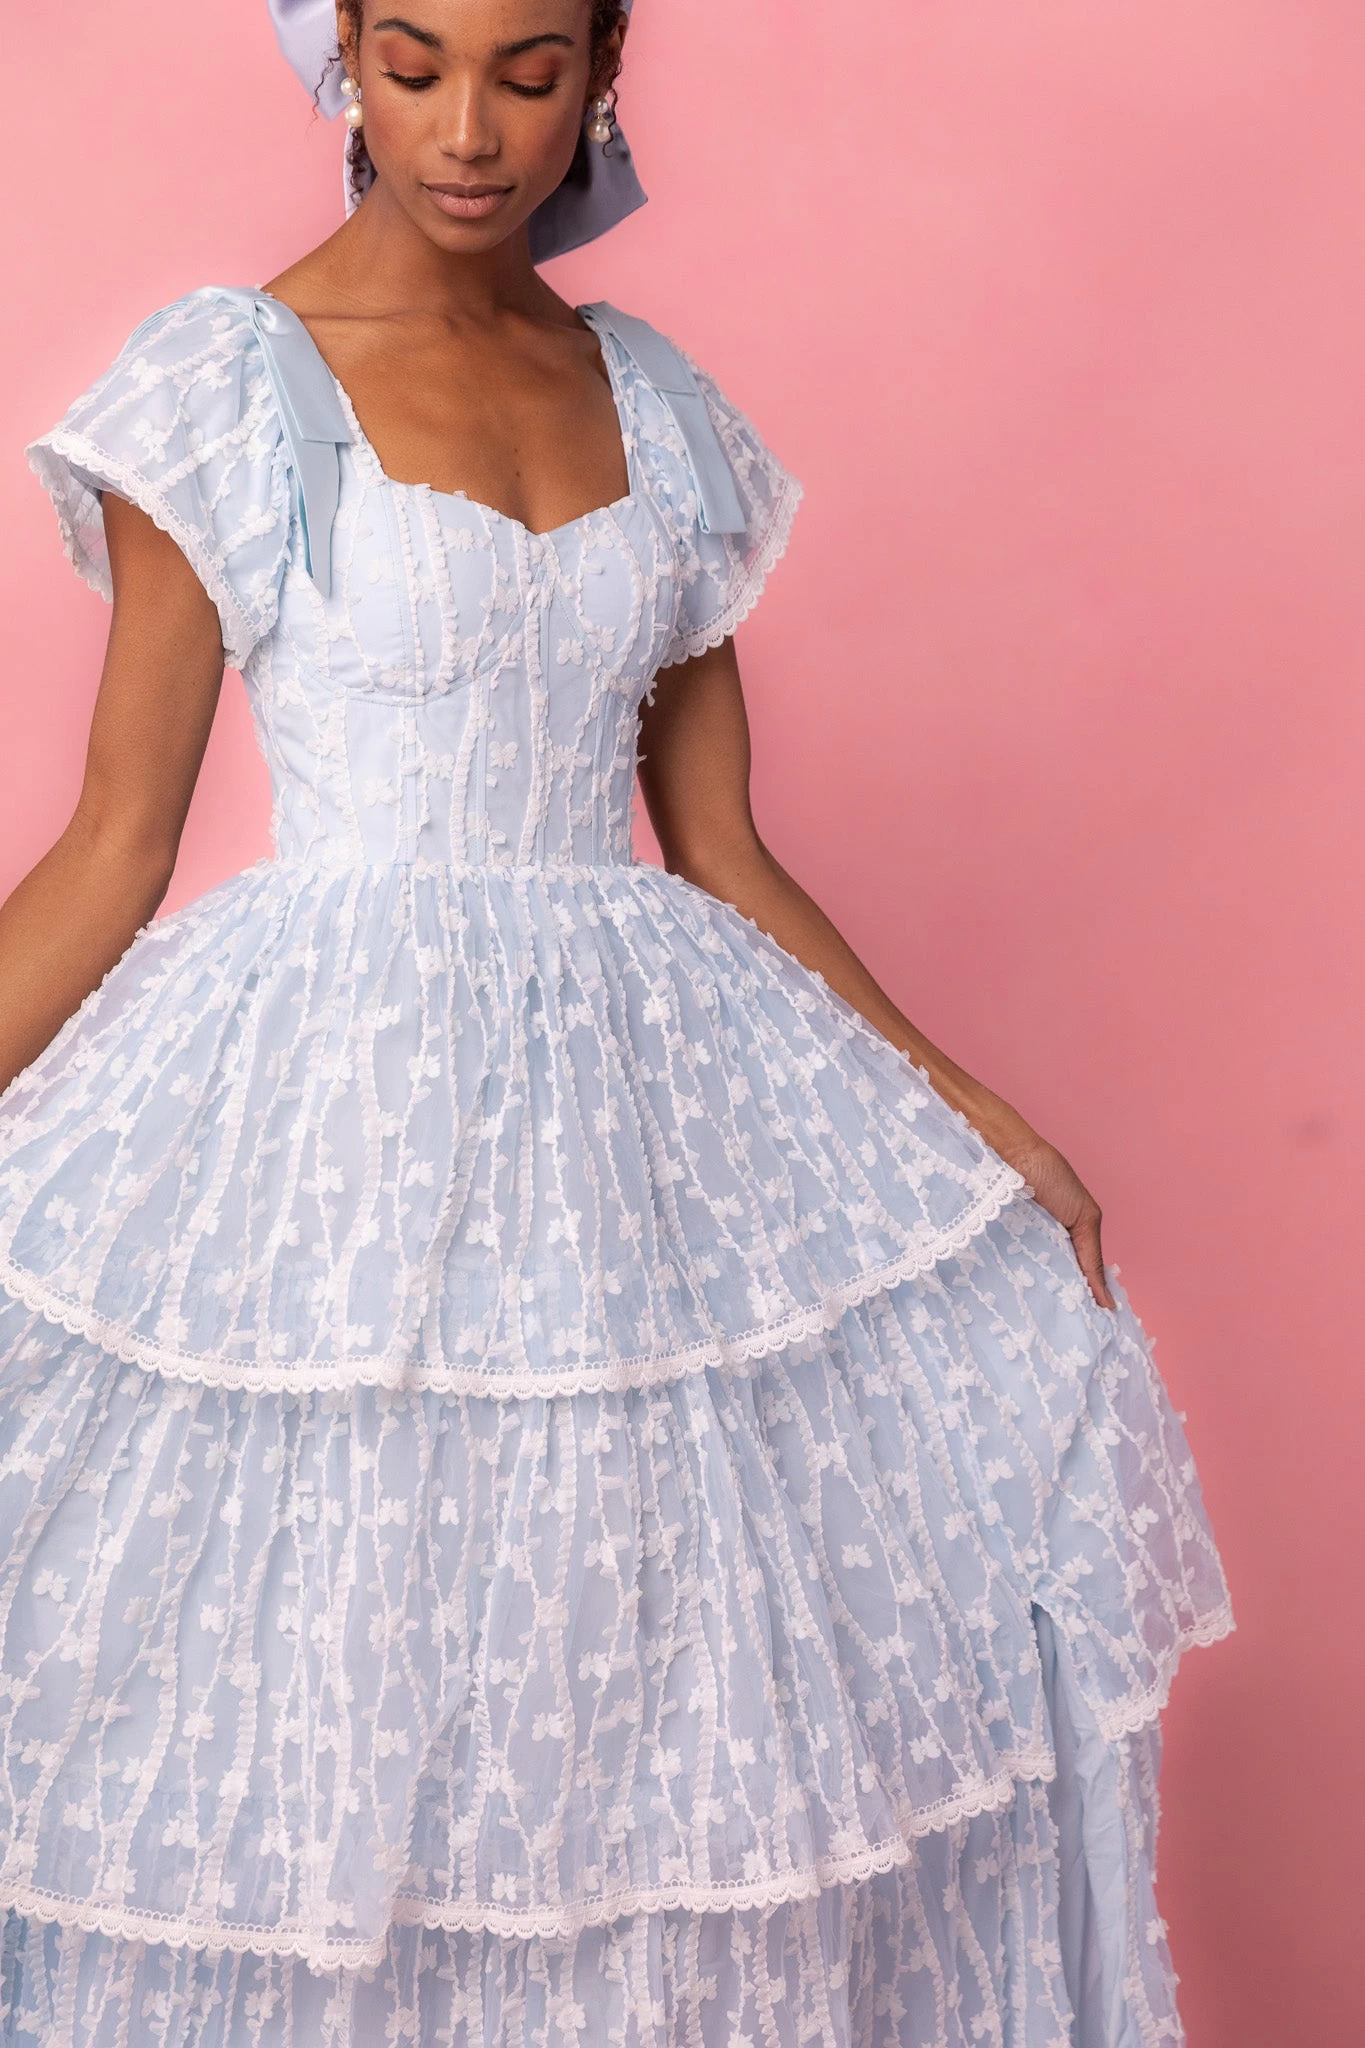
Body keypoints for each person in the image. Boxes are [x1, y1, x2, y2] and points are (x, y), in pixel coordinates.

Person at [0, 3, 1231, 2041]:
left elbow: (722, 847)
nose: (468, 131)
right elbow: (113, 848)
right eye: (414, 66)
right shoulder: (226, 383)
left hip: (627, 1153)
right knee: (342, 1685)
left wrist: (973, 1113)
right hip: (337, 1136)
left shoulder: (650, 398)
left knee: (627, 1719)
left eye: (527, 70)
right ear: (344, 64)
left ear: (601, 70)